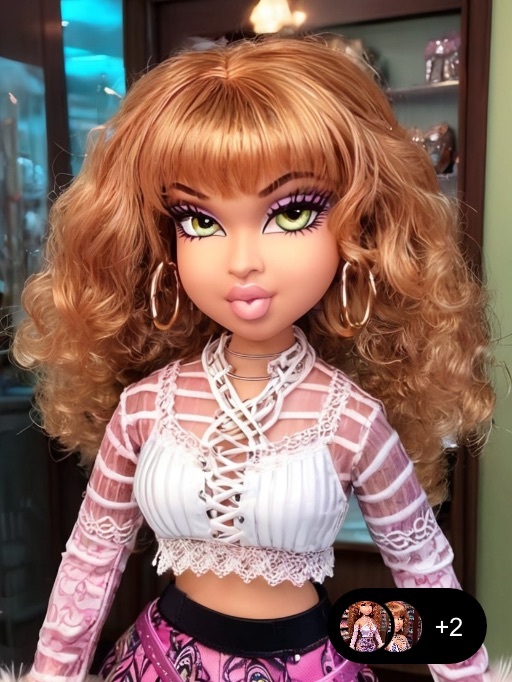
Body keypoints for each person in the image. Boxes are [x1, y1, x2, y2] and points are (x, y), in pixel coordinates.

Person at [8, 34, 500, 682]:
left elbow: (423, 569)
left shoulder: (350, 419)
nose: (242, 261)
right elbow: (90, 560)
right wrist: (51, 673)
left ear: (362, 225)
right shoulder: (146, 408)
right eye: (200, 221)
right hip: (158, 662)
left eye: (291, 213)